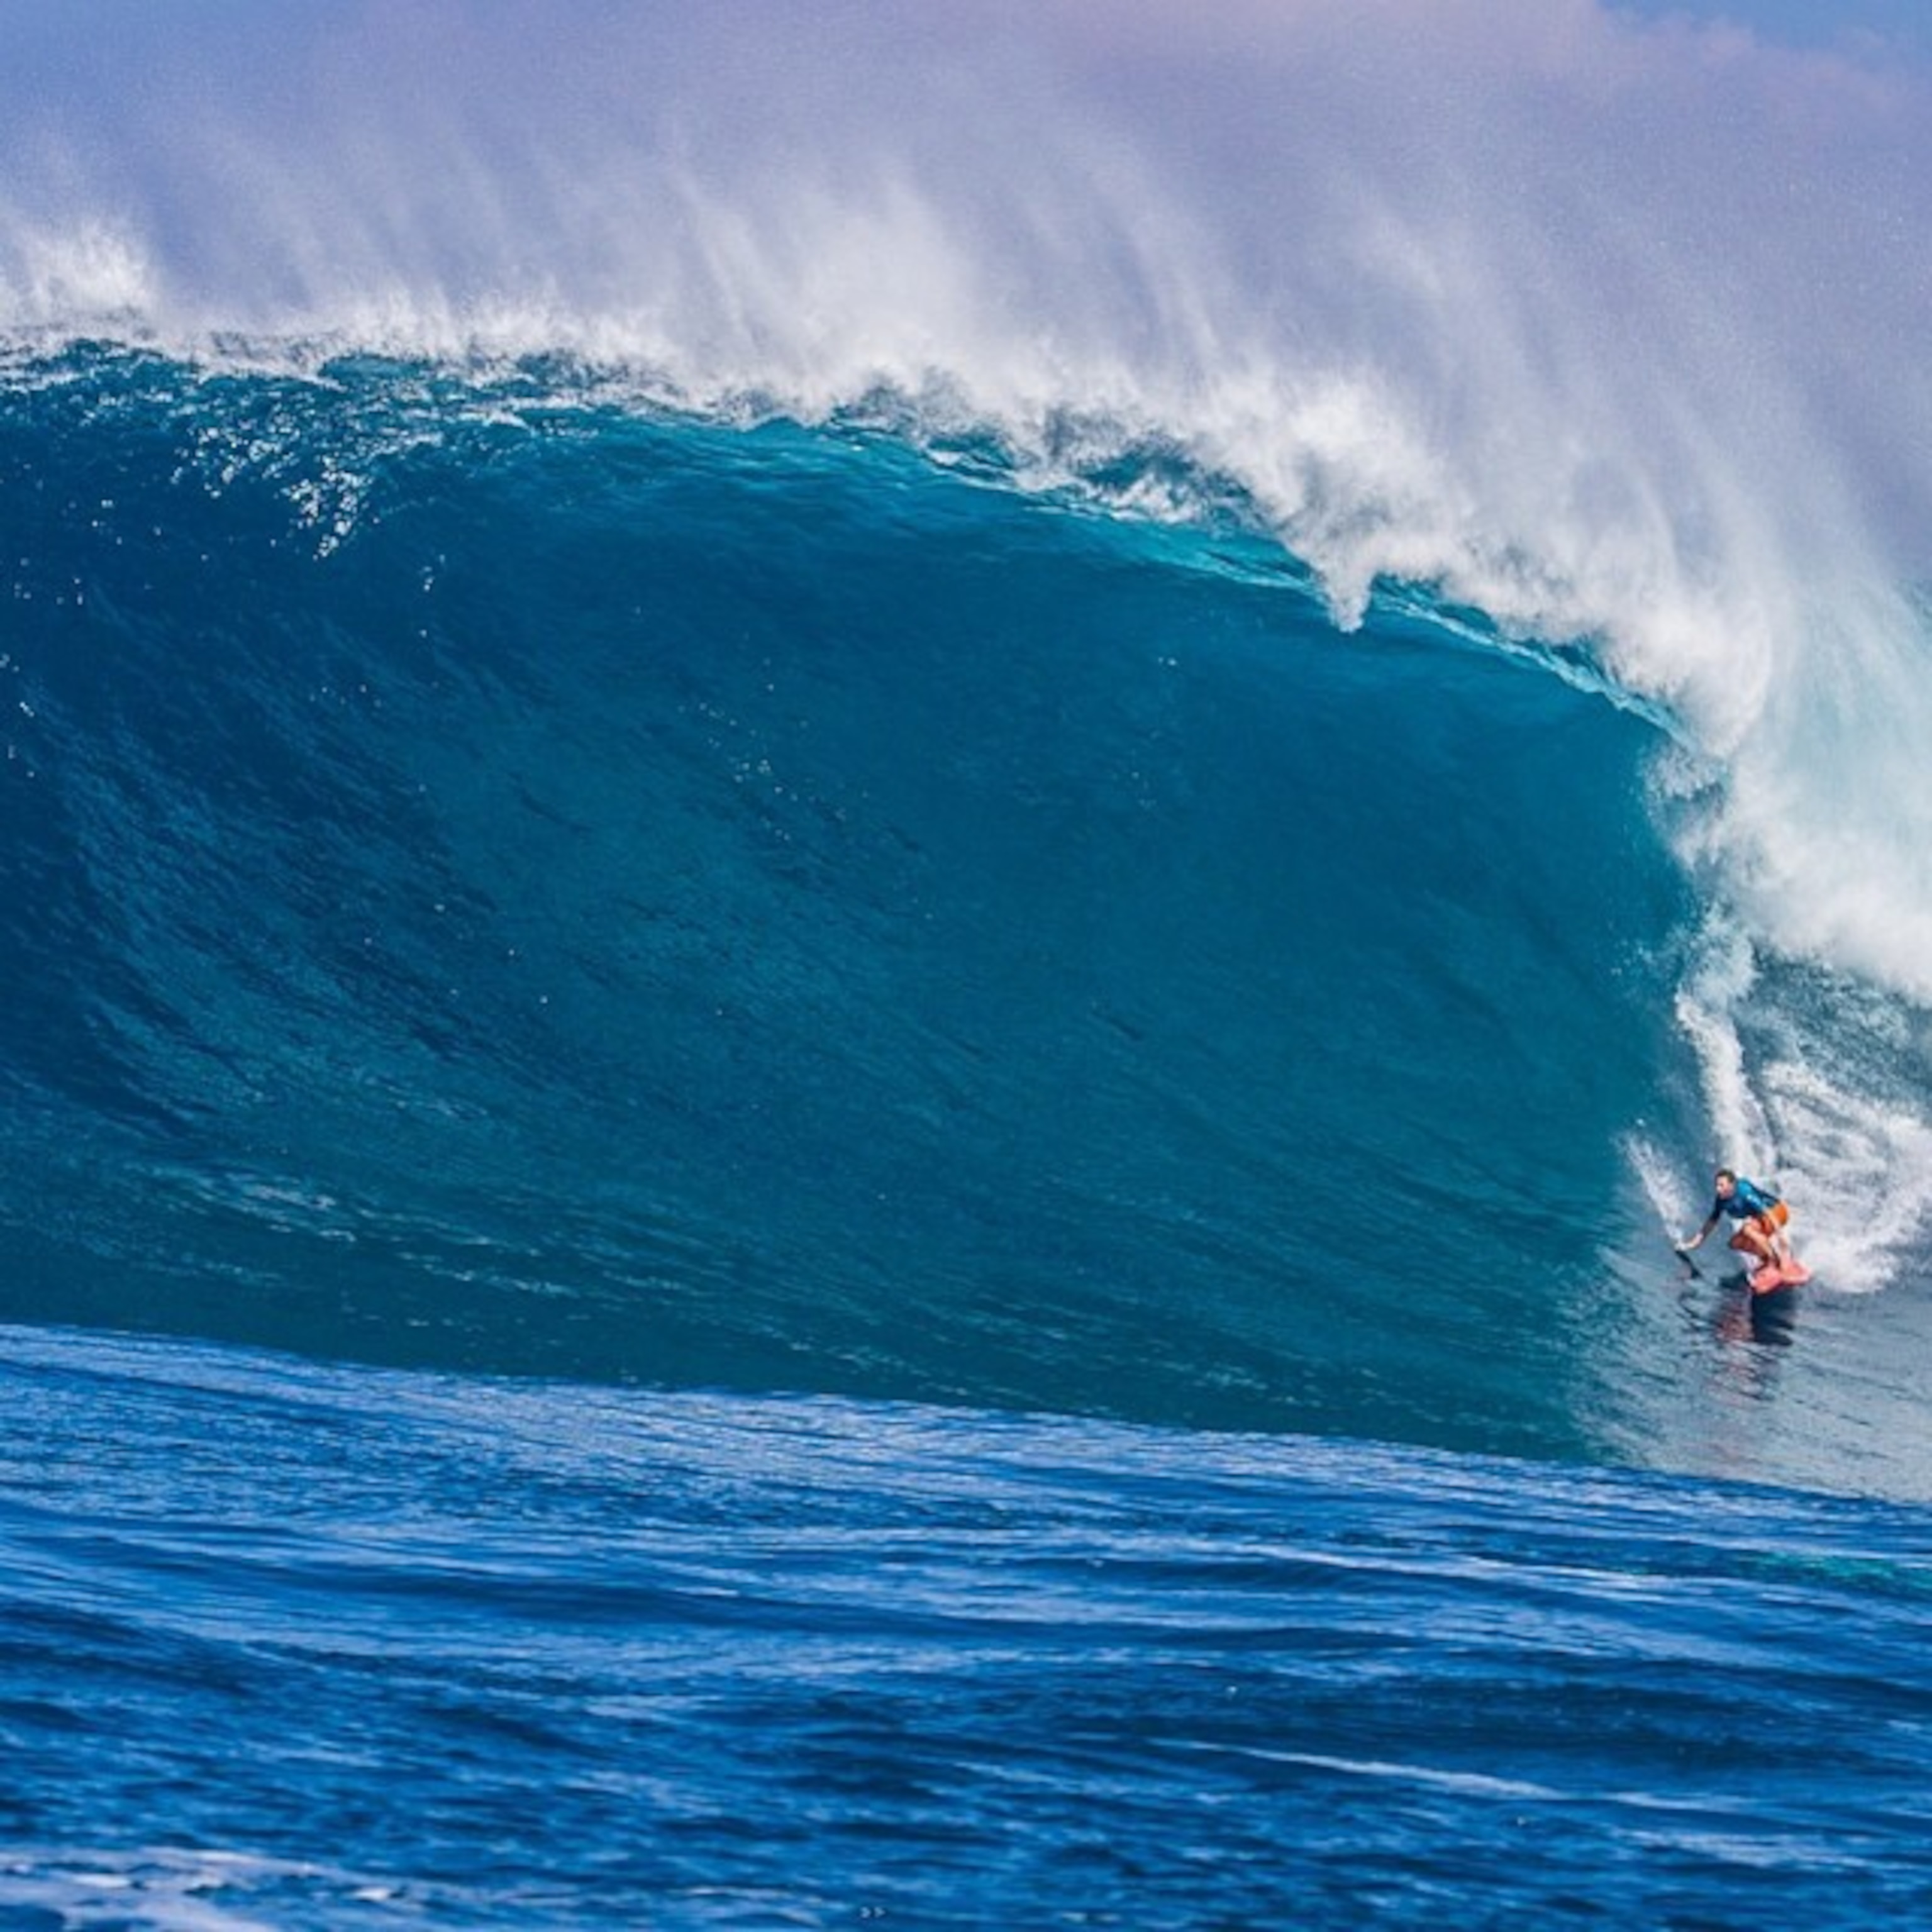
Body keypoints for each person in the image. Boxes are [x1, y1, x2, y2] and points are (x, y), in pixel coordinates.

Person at [1679, 1167, 1798, 1280]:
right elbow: (1712, 1221)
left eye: (1722, 1185)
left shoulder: (1744, 1192)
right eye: (1717, 1185)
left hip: (1777, 1211)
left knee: (1748, 1230)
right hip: (1762, 1217)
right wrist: (1695, 1243)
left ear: (1732, 1185)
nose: (1718, 1189)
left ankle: (1772, 1261)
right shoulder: (1721, 1199)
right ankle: (1767, 1259)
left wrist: (1780, 1235)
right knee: (1735, 1243)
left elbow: (1766, 1212)